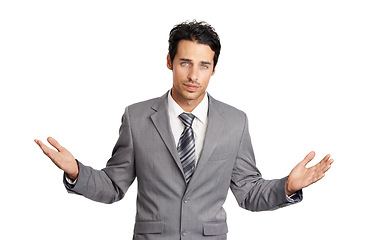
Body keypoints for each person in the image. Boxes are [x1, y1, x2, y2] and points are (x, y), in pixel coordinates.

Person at [35, 20, 334, 240]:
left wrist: (288, 187)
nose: (193, 75)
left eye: (204, 65)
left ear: (214, 69)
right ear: (169, 62)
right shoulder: (137, 117)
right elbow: (114, 186)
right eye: (185, 63)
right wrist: (76, 171)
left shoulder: (235, 122)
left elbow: (248, 193)